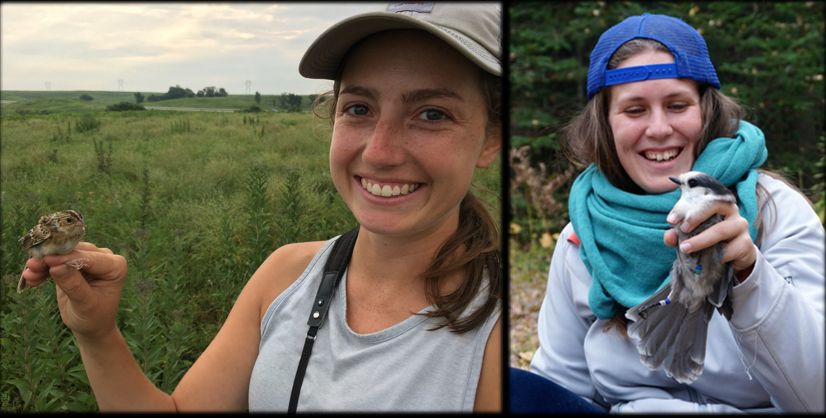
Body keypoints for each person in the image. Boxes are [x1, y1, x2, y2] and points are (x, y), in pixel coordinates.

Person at [20, 2, 503, 412]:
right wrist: (98, 332)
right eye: (359, 108)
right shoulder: (285, 275)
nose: (379, 152)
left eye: (432, 114)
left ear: (491, 140)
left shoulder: (494, 332)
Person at [511, 13, 824, 413]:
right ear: (605, 125)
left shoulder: (771, 209)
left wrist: (749, 273)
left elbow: (817, 396)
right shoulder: (581, 237)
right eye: (635, 110)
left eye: (677, 105)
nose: (659, 129)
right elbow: (558, 391)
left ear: (706, 113)